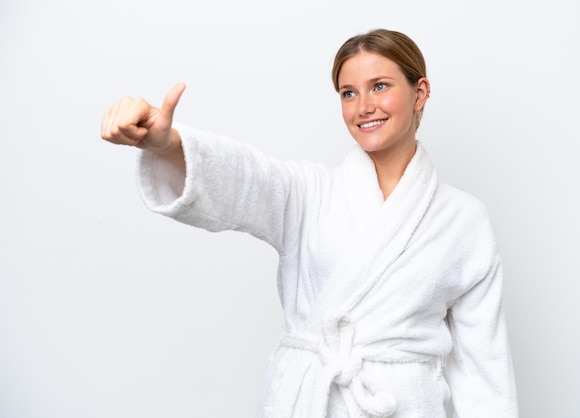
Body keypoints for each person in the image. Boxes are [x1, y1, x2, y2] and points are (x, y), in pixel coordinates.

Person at [101, 29, 518, 418]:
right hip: (307, 401)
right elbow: (248, 178)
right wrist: (168, 144)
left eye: (380, 86)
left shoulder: (464, 219)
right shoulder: (308, 193)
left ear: (420, 92)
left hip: (402, 405)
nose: (363, 106)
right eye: (348, 92)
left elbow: (483, 367)